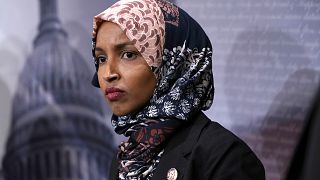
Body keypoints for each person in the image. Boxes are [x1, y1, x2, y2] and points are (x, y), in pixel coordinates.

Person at [90, 0, 265, 179]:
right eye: (101, 58)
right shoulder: (125, 160)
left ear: (172, 60)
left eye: (128, 54)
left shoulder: (225, 156)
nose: (108, 74)